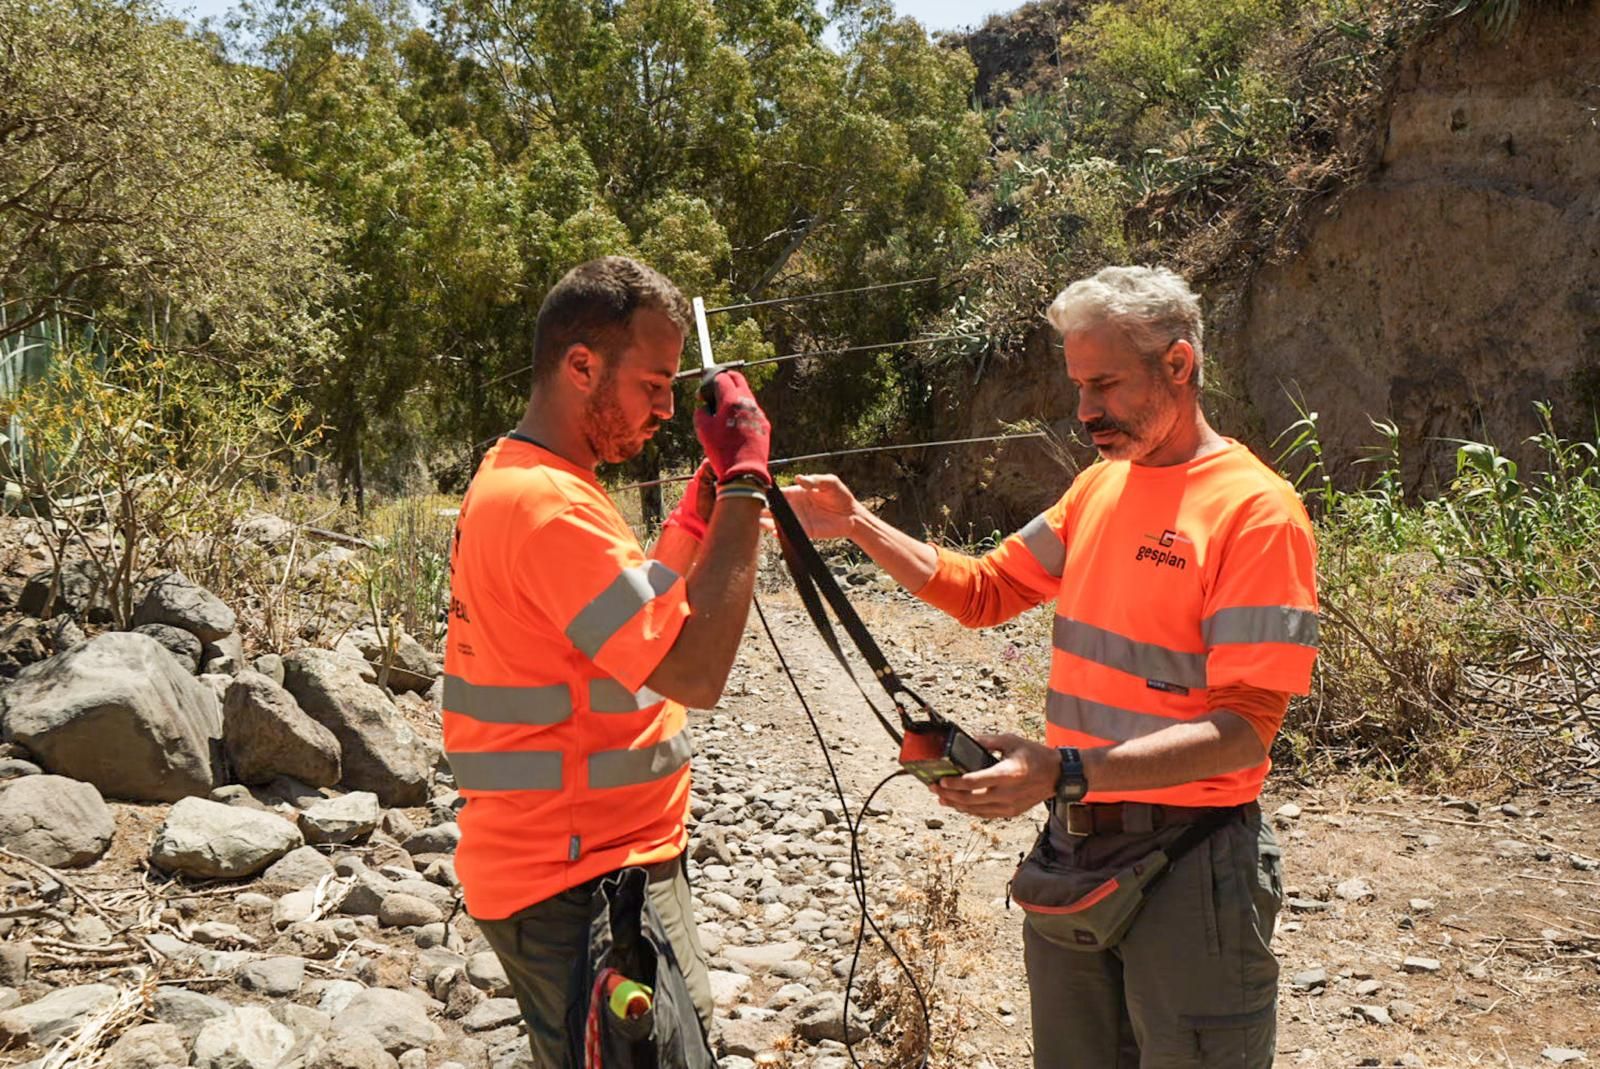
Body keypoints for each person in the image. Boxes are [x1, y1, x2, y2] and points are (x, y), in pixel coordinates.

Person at [784, 265, 1319, 1069]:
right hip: (1076, 854)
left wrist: (1063, 769)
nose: (1084, 411)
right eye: (1077, 384)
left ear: (1178, 365)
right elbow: (987, 590)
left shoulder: (1256, 512)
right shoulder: (1096, 489)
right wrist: (857, 524)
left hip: (1194, 861)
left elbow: (1245, 732)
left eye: (1103, 383)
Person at [442, 256, 773, 1067]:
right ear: (581, 366)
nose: (667, 408)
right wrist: (746, 485)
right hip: (583, 881)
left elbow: (631, 623)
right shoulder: (551, 506)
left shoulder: (530, 479)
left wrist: (695, 521)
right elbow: (693, 674)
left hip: (581, 865)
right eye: (653, 383)